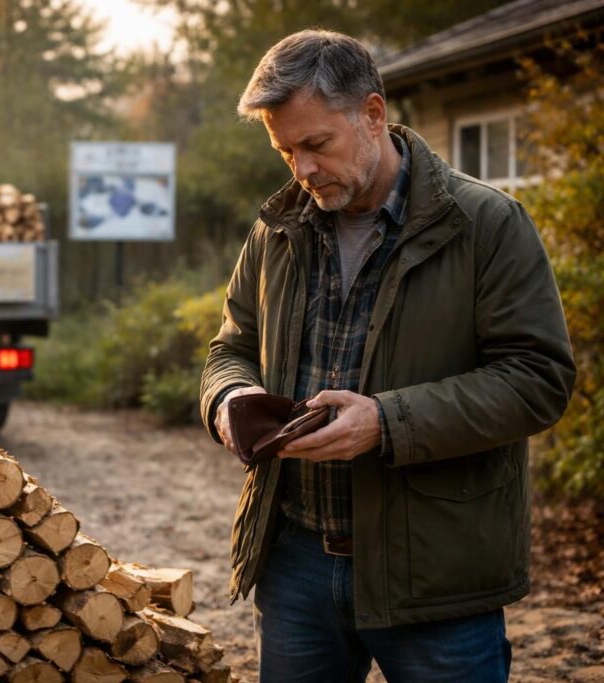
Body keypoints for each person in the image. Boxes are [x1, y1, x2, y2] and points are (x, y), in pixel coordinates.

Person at [199, 29, 575, 683]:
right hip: (293, 569)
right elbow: (229, 348)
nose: (303, 171)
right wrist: (228, 400)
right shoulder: (277, 226)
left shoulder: (488, 224)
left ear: (373, 115)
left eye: (317, 145)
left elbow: (538, 379)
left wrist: (387, 421)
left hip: (436, 575)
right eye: (286, 151)